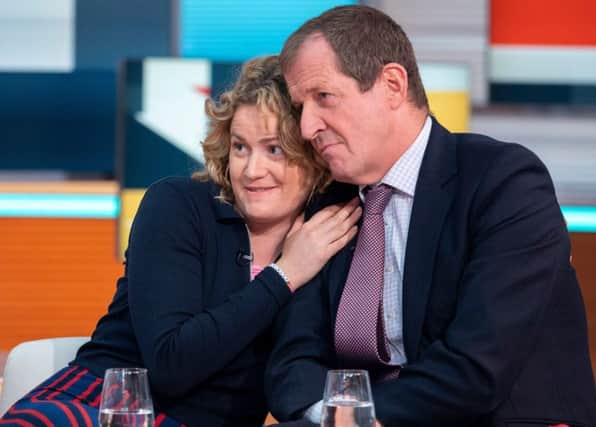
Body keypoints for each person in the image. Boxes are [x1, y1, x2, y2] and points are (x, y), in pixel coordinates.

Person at [266, 5, 596, 427]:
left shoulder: (504, 182)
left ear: (392, 84)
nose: (306, 126)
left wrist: (353, 418)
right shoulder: (328, 204)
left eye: (323, 98)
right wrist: (332, 418)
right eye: (300, 107)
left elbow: (475, 369)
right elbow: (291, 365)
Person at [0, 55, 361, 427]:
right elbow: (171, 363)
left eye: (274, 149)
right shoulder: (178, 205)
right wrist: (284, 274)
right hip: (105, 409)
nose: (252, 170)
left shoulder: (331, 235)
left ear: (313, 156)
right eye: (240, 147)